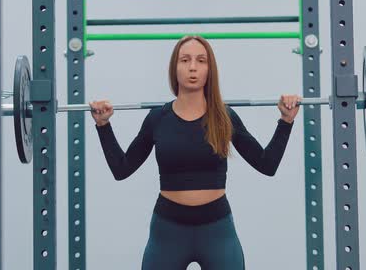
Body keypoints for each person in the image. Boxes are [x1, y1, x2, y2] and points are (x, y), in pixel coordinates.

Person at [89, 35, 301, 270]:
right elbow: (122, 168)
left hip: (217, 230)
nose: (192, 67)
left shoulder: (224, 117)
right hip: (168, 232)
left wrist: (286, 121)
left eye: (201, 60)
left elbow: (266, 164)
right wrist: (103, 126)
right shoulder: (157, 119)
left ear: (210, 70)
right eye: (185, 60)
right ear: (175, 67)